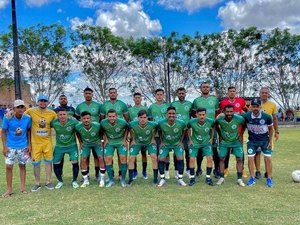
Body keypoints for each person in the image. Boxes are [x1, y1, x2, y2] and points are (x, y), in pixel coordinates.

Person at [25, 95, 57, 191]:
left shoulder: (52, 113)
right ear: (38, 102)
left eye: (45, 101)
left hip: (47, 142)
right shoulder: (31, 111)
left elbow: (58, 124)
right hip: (35, 143)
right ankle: (37, 183)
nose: (43, 102)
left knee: (48, 162)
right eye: (41, 101)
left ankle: (48, 182)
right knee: (36, 164)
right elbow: (21, 116)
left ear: (47, 102)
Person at [1, 100, 31, 197]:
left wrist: (30, 144)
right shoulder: (8, 117)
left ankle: (23, 187)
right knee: (9, 167)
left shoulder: (27, 118)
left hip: (23, 146)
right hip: (10, 146)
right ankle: (9, 189)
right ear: (14, 108)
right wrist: (4, 146)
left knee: (22, 166)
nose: (20, 109)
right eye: (18, 107)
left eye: (22, 107)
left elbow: (29, 131)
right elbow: (3, 131)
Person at [242, 99, 274, 187]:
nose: (255, 108)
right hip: (252, 141)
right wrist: (241, 137)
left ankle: (269, 178)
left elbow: (271, 129)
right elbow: (243, 126)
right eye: (253, 106)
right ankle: (252, 178)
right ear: (250, 107)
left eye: (257, 106)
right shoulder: (246, 116)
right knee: (250, 159)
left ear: (260, 107)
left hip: (265, 141)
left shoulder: (267, 117)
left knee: (268, 159)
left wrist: (270, 141)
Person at [219, 86, 248, 178]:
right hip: (226, 131)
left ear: (236, 92)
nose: (232, 92)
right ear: (227, 93)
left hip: (238, 131)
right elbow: (220, 115)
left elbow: (246, 112)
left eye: (233, 91)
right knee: (225, 152)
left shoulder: (241, 101)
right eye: (230, 91)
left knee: (240, 152)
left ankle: (242, 170)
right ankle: (225, 170)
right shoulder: (223, 102)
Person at [192, 82, 219, 177]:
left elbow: (217, 113)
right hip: (200, 129)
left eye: (207, 87)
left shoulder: (214, 99)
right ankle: (199, 168)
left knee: (214, 149)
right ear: (200, 88)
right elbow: (193, 113)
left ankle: (216, 169)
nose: (205, 88)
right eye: (203, 87)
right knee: (199, 150)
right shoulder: (196, 101)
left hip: (211, 129)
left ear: (209, 88)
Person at [215, 104, 245, 187]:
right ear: (224, 112)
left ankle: (239, 179)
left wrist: (241, 134)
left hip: (236, 141)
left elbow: (244, 124)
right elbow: (215, 124)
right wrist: (220, 134)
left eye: (231, 111)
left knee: (239, 158)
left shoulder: (239, 119)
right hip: (224, 142)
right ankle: (221, 178)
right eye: (227, 112)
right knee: (221, 158)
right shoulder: (220, 119)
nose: (229, 113)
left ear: (234, 112)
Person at [75, 87, 102, 181]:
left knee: (97, 156)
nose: (88, 95)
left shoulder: (98, 106)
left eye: (89, 93)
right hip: (85, 135)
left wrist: (101, 138)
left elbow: (101, 120)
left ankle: (97, 174)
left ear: (92, 94)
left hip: (96, 135)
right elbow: (78, 120)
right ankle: (86, 175)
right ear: (84, 94)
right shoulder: (79, 106)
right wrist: (81, 141)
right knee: (85, 157)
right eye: (86, 93)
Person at [157, 106, 187, 187]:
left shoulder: (181, 123)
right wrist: (161, 141)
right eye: (169, 113)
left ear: (176, 114)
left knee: (180, 158)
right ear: (166, 114)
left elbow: (185, 130)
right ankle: (162, 178)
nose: (171, 115)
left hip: (177, 144)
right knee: (161, 158)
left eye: (173, 113)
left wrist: (181, 141)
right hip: (165, 144)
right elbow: (159, 130)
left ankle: (180, 179)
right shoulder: (161, 123)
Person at [51, 108, 80, 189]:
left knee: (75, 162)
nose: (62, 116)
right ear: (57, 115)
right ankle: (60, 181)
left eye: (64, 114)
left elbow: (81, 127)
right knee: (56, 163)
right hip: (59, 146)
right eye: (60, 115)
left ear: (67, 115)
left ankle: (74, 181)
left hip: (72, 146)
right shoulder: (54, 123)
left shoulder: (73, 122)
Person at [75, 111, 105, 188]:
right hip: (86, 144)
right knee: (83, 159)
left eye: (88, 118)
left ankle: (102, 179)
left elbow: (102, 132)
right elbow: (77, 133)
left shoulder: (97, 125)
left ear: (90, 118)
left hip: (96, 143)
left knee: (100, 158)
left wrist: (102, 141)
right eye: (84, 118)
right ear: (81, 119)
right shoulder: (78, 126)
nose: (86, 120)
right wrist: (81, 142)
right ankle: (85, 180)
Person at [128, 110, 158, 186]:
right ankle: (130, 179)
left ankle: (155, 179)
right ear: (138, 118)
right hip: (137, 143)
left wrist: (153, 138)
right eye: (141, 117)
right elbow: (129, 129)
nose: (143, 119)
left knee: (154, 157)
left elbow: (157, 128)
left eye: (144, 117)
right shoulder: (132, 124)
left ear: (147, 118)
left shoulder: (153, 124)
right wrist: (133, 139)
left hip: (149, 143)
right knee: (131, 158)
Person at [255, 87, 279, 179]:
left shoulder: (272, 105)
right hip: (256, 133)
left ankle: (267, 172)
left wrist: (277, 131)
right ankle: (257, 171)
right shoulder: (255, 104)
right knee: (257, 153)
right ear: (259, 93)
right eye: (262, 92)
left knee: (267, 153)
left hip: (268, 133)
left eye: (266, 93)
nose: (264, 94)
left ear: (268, 94)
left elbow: (275, 119)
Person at [101, 109, 128, 188]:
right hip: (110, 142)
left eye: (113, 116)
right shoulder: (103, 122)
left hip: (120, 142)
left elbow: (127, 129)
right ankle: (111, 180)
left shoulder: (122, 122)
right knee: (108, 159)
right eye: (110, 116)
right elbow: (102, 130)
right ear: (107, 117)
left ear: (116, 116)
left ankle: (122, 179)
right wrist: (105, 139)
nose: (111, 118)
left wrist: (124, 140)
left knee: (123, 158)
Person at [187, 107, 215, 186]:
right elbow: (188, 128)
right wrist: (190, 139)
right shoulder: (192, 122)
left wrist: (211, 138)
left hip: (206, 143)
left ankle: (208, 178)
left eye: (203, 114)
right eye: (199, 115)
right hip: (195, 143)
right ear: (196, 115)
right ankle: (192, 178)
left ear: (206, 114)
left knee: (210, 158)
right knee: (192, 159)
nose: (201, 116)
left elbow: (213, 127)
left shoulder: (210, 121)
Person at [148, 89, 171, 178]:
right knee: (156, 153)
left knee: (166, 153)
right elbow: (149, 120)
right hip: (155, 134)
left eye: (161, 94)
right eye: (158, 94)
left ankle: (167, 170)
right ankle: (159, 171)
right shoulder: (151, 107)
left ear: (163, 95)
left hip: (165, 133)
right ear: (155, 95)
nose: (159, 96)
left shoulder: (167, 106)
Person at [171, 87, 192, 178]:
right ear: (177, 94)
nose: (181, 95)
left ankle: (188, 169)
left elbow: (193, 117)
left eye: (183, 93)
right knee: (177, 152)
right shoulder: (173, 104)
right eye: (180, 93)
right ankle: (177, 170)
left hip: (186, 133)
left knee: (188, 151)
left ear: (185, 94)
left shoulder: (190, 104)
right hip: (176, 133)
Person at [128, 92, 149, 179]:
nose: (137, 99)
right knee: (134, 155)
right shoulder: (130, 110)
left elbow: (149, 122)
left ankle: (144, 171)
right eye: (136, 98)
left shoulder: (146, 108)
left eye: (139, 98)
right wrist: (130, 135)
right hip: (135, 136)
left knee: (144, 154)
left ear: (141, 99)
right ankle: (135, 171)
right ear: (133, 99)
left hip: (145, 136)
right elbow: (128, 124)